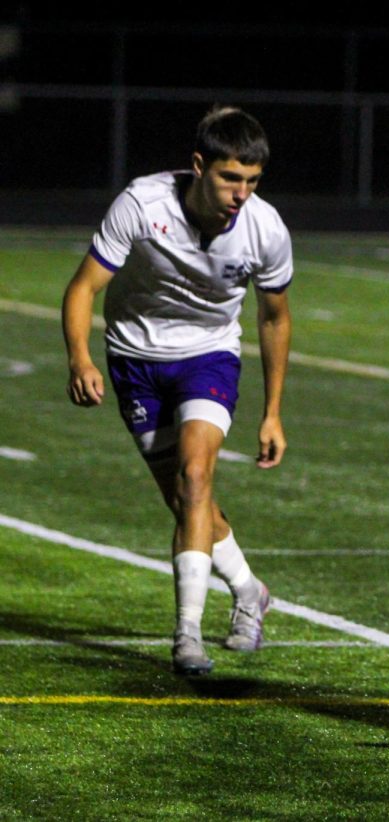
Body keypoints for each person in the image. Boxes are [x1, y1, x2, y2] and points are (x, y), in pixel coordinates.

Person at [62, 106, 292, 675]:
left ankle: (186, 635)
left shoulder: (266, 229)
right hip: (134, 359)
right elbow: (83, 288)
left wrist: (273, 414)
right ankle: (249, 589)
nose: (242, 194)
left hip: (209, 357)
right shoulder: (143, 204)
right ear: (198, 166)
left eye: (252, 181)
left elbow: (274, 319)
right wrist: (79, 358)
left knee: (195, 476)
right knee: (187, 500)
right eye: (230, 178)